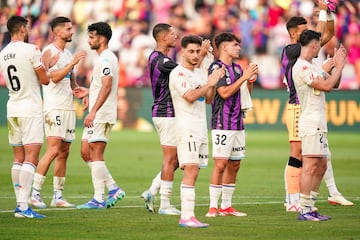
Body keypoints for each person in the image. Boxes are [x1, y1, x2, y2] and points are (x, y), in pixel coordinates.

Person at [281, 0, 353, 212]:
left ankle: (325, 195)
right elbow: (320, 34)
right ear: (295, 35)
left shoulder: (306, 53)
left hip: (307, 107)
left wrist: (329, 13)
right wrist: (322, 12)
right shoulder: (291, 49)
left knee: (319, 156)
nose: (310, 34)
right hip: (297, 106)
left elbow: (326, 32)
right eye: (305, 32)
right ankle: (292, 200)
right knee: (298, 154)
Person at [142, 23, 211, 214]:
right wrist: (202, 55)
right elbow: (189, 67)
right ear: (163, 37)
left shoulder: (161, 58)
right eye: (172, 34)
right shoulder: (162, 61)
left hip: (168, 113)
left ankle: (153, 190)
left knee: (179, 158)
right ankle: (164, 203)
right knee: (171, 158)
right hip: (166, 113)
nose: (176, 36)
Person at [29, 16, 86, 209]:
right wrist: (72, 64)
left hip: (68, 106)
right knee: (53, 150)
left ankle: (58, 196)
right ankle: (34, 193)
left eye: (72, 28)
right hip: (54, 107)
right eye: (68, 29)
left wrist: (79, 91)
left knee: (64, 153)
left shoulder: (68, 54)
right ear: (57, 31)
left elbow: (70, 81)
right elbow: (51, 78)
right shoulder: (49, 51)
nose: (72, 32)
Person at [169, 34, 225, 228]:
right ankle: (186, 216)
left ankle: (189, 216)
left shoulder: (199, 73)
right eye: (191, 51)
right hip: (187, 128)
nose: (195, 55)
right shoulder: (178, 73)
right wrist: (209, 83)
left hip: (201, 127)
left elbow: (208, 99)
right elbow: (191, 96)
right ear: (182, 51)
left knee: (195, 170)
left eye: (197, 51)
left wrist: (213, 82)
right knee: (190, 169)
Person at [292, 29, 347, 221]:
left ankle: (310, 206)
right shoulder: (301, 67)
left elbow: (334, 84)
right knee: (310, 166)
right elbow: (325, 86)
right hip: (310, 121)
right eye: (319, 44)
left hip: (319, 122)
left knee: (322, 164)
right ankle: (304, 209)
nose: (319, 48)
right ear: (314, 44)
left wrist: (335, 68)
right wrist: (338, 67)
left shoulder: (313, 66)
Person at [0, 15, 50, 218]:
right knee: (31, 157)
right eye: (27, 28)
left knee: (18, 157)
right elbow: (45, 80)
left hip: (12, 107)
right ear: (21, 29)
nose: (28, 31)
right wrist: (47, 64)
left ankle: (19, 202)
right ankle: (22, 205)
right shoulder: (32, 50)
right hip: (30, 108)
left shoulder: (3, 53)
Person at [205, 32, 258, 218]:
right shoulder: (216, 67)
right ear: (224, 47)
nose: (238, 47)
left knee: (235, 164)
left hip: (238, 123)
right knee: (220, 164)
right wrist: (244, 77)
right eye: (235, 44)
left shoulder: (236, 68)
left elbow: (245, 93)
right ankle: (213, 206)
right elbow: (224, 93)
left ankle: (226, 206)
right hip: (222, 122)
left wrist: (250, 81)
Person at [74, 21, 125, 209]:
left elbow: (107, 85)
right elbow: (101, 86)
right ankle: (113, 188)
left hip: (102, 113)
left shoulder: (106, 59)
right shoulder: (102, 58)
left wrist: (93, 111)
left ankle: (99, 198)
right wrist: (89, 92)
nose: (89, 40)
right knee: (85, 152)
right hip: (97, 110)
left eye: (92, 37)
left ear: (102, 39)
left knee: (96, 152)